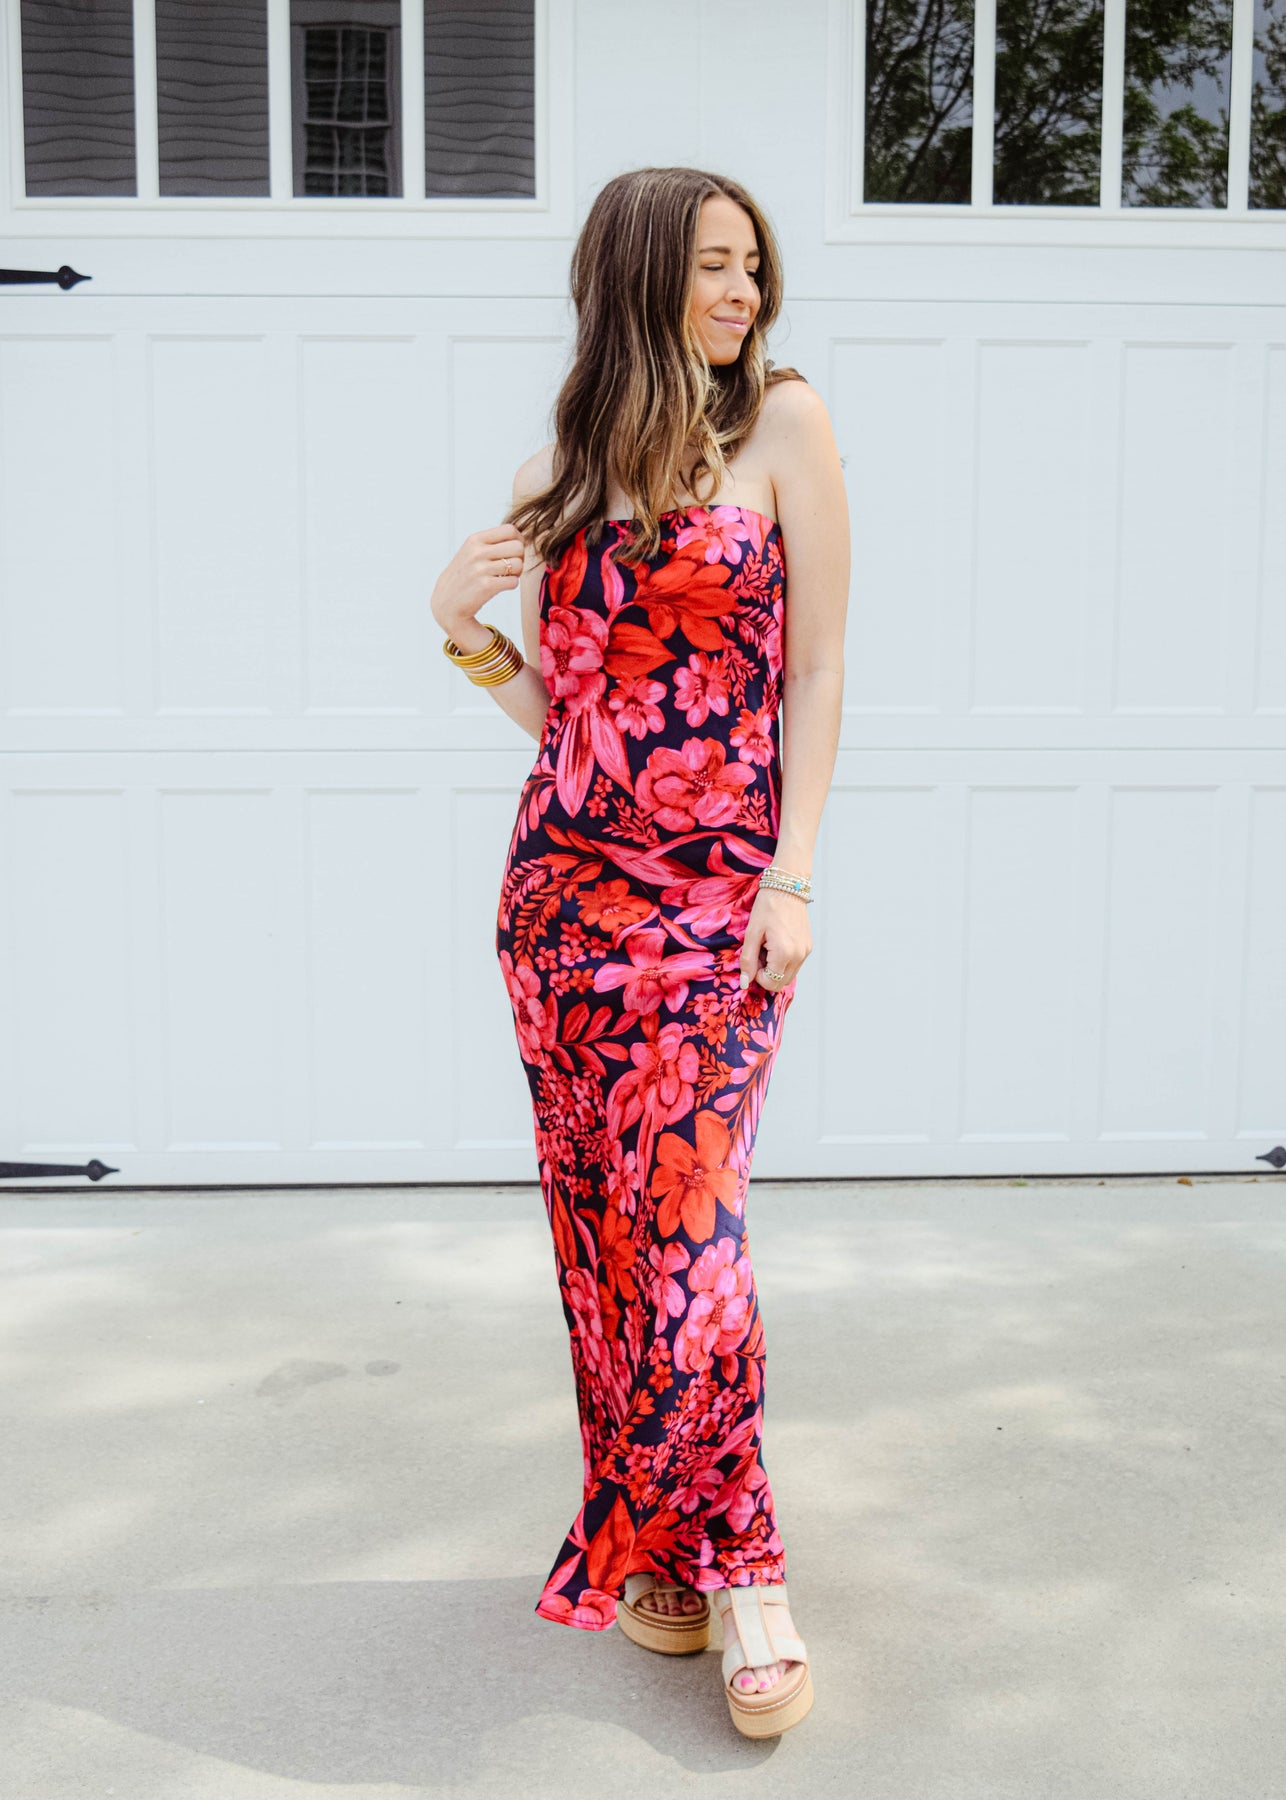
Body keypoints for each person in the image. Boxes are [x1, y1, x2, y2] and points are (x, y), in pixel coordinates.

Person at [430, 166, 848, 1739]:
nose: (743, 293)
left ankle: (746, 1575)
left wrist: (790, 878)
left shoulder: (783, 426)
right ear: (637, 278)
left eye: (753, 267)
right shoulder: (561, 469)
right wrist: (463, 632)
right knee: (607, 1244)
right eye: (713, 266)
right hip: (563, 904)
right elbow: (578, 729)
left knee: (687, 1238)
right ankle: (664, 1542)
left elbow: (814, 676)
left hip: (719, 905)